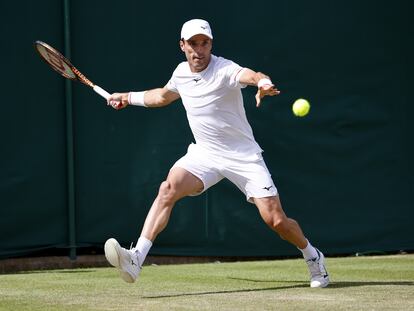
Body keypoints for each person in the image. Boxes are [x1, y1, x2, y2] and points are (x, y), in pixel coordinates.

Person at [104, 19, 329, 288]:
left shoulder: (225, 69)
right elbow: (162, 97)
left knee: (276, 221)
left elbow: (252, 75)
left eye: (204, 43)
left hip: (243, 156)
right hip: (205, 154)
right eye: (193, 44)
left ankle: (312, 256)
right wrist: (127, 97)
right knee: (168, 188)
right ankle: (136, 259)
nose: (199, 50)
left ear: (211, 44)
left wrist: (264, 82)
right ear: (182, 46)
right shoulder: (180, 73)